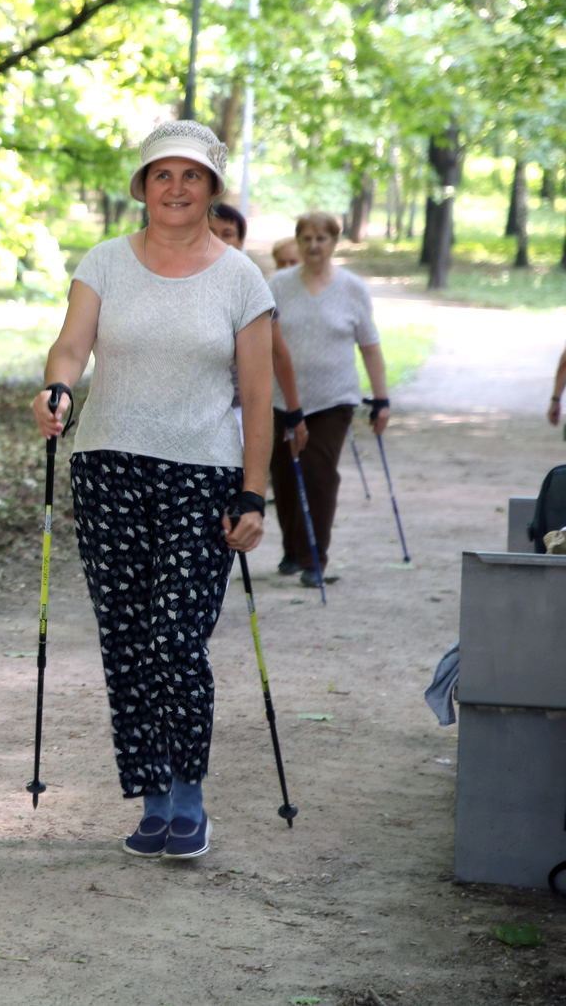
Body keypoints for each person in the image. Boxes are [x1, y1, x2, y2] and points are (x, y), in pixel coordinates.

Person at [35, 120, 273, 860]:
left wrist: (254, 494)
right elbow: (73, 343)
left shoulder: (241, 277)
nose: (176, 188)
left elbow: (258, 396)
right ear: (142, 187)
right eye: (162, 175)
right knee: (128, 637)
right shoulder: (105, 261)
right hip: (108, 462)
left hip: (202, 473)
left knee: (177, 636)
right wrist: (58, 387)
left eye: (192, 176)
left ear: (212, 189)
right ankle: (151, 790)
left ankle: (188, 791)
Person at [267, 211, 389, 584]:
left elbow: (370, 346)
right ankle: (292, 548)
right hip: (282, 399)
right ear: (298, 242)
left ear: (334, 243)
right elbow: (264, 344)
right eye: (306, 238)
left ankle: (314, 559)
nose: (314, 245)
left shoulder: (352, 288)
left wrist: (381, 400)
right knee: (285, 474)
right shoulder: (277, 285)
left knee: (319, 474)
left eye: (322, 238)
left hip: (334, 400)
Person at [211, 203, 309, 454]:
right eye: (210, 232)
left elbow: (278, 352)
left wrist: (294, 410)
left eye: (227, 234)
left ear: (241, 241)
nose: (218, 240)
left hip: (236, 408)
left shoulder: (250, 287)